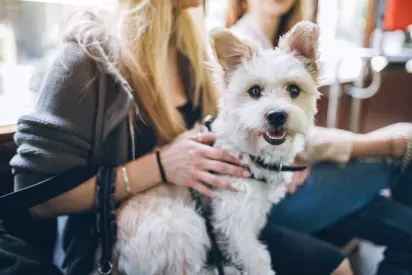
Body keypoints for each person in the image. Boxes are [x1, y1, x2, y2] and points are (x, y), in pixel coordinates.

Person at [9, 0, 351, 274]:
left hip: (211, 215)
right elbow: (36, 201)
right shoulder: (85, 58)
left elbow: (233, 131)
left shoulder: (193, 51)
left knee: (336, 264)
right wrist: (159, 166)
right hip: (118, 245)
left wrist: (281, 156)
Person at [228, 0, 412, 274]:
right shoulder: (236, 49)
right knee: (396, 159)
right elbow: (250, 133)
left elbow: (300, 135)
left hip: (296, 175)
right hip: (261, 195)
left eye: (292, 89)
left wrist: (301, 150)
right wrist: (389, 144)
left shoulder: (291, 40)